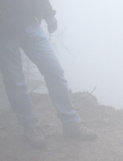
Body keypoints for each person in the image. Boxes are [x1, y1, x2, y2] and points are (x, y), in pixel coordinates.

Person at [0, 0, 96, 148]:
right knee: (15, 81)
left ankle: (70, 123)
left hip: (29, 22)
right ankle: (30, 126)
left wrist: (49, 14)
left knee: (54, 70)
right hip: (4, 30)